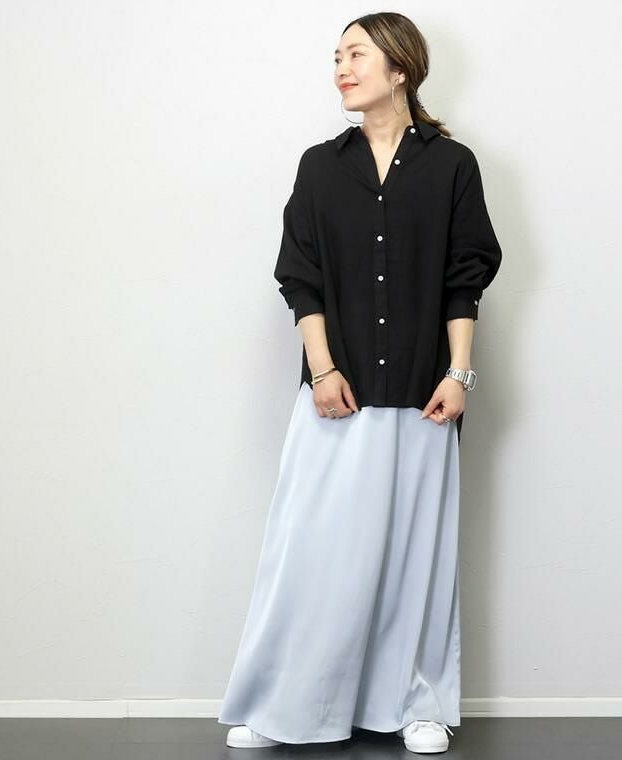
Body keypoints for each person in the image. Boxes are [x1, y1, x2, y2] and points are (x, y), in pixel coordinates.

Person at [217, 12, 502, 755]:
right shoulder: (321, 166)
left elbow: (465, 278)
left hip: (422, 391)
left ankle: (419, 705)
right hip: (334, 392)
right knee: (311, 555)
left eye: (356, 55)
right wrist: (322, 368)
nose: (341, 69)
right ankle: (281, 702)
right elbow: (300, 276)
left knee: (415, 558)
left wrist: (458, 373)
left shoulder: (452, 165)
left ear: (399, 69)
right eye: (336, 57)